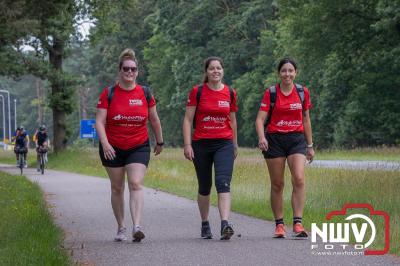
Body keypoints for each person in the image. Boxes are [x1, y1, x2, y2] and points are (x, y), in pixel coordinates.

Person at [95, 48, 164, 242]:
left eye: (133, 69)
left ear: (137, 71)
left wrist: (159, 141)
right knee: (117, 187)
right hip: (112, 147)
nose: (129, 72)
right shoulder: (108, 93)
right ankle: (121, 227)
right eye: (126, 69)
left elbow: (154, 119)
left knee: (135, 183)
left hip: (138, 145)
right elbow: (100, 121)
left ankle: (137, 226)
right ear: (120, 71)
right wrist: (105, 143)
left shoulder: (145, 92)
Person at [255, 58, 315, 238]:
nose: (287, 74)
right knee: (277, 184)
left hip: (296, 139)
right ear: (279, 73)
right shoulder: (271, 93)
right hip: (275, 140)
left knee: (299, 178)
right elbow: (259, 120)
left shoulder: (302, 92)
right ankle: (279, 225)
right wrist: (261, 137)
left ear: (296, 72)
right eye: (284, 71)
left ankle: (298, 223)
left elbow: (306, 119)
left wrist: (310, 145)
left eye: (290, 71)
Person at [182, 56, 238, 240]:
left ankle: (224, 224)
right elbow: (188, 120)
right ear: (206, 72)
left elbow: (233, 121)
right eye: (212, 68)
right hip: (201, 144)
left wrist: (234, 144)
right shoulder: (197, 92)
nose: (215, 71)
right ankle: (205, 223)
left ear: (223, 70)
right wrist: (188, 144)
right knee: (205, 186)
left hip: (224, 143)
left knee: (223, 183)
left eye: (218, 68)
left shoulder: (230, 92)